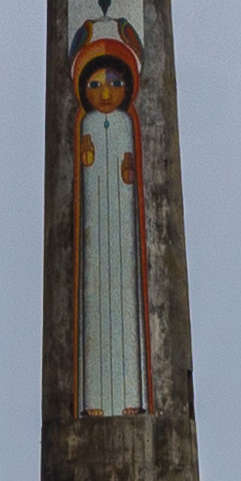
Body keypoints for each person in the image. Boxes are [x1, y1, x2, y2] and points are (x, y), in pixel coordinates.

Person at [75, 54, 148, 413]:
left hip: (120, 227)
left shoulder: (123, 124)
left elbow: (127, 176)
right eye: (96, 84)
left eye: (115, 84)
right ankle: (96, 402)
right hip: (96, 230)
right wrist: (88, 162)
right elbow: (87, 177)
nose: (105, 92)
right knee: (95, 307)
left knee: (124, 310)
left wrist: (127, 174)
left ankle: (130, 399)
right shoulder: (87, 123)